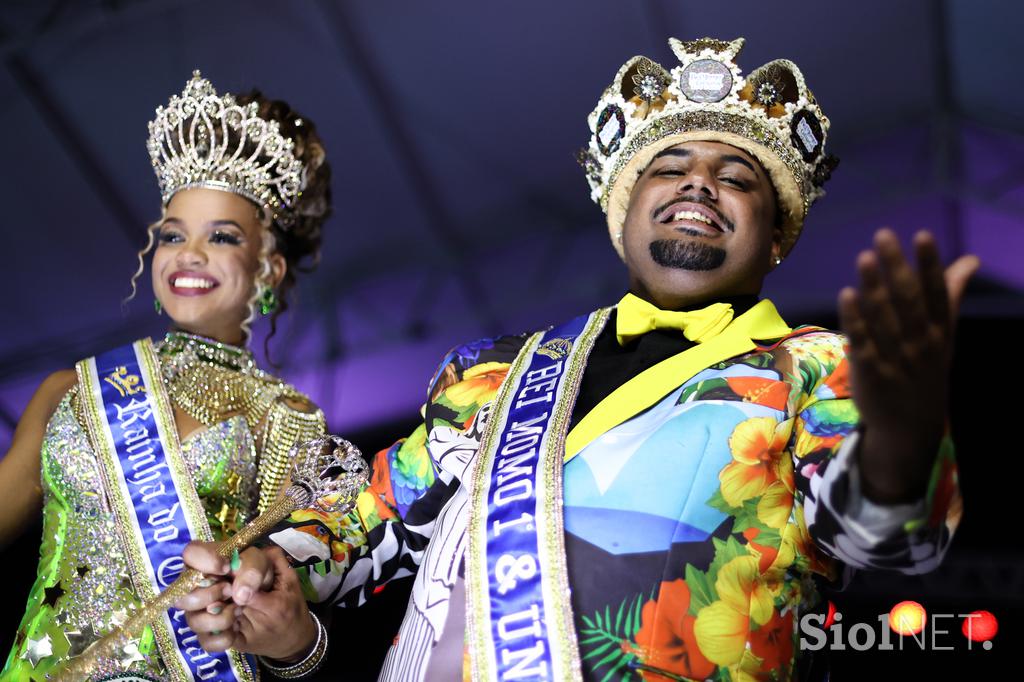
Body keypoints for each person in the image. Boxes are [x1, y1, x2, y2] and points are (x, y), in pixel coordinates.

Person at [179, 37, 975, 681]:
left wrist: (902, 433)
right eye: (669, 168)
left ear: (776, 237)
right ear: (623, 215)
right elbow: (371, 519)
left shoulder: (816, 365)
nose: (699, 183)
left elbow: (890, 542)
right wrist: (268, 567)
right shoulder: (496, 373)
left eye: (736, 178)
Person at [0, 71, 333, 681]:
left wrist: (293, 644)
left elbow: (290, 602)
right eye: (173, 235)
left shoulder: (287, 418)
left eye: (223, 237)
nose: (190, 254)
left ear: (270, 267)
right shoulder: (71, 389)